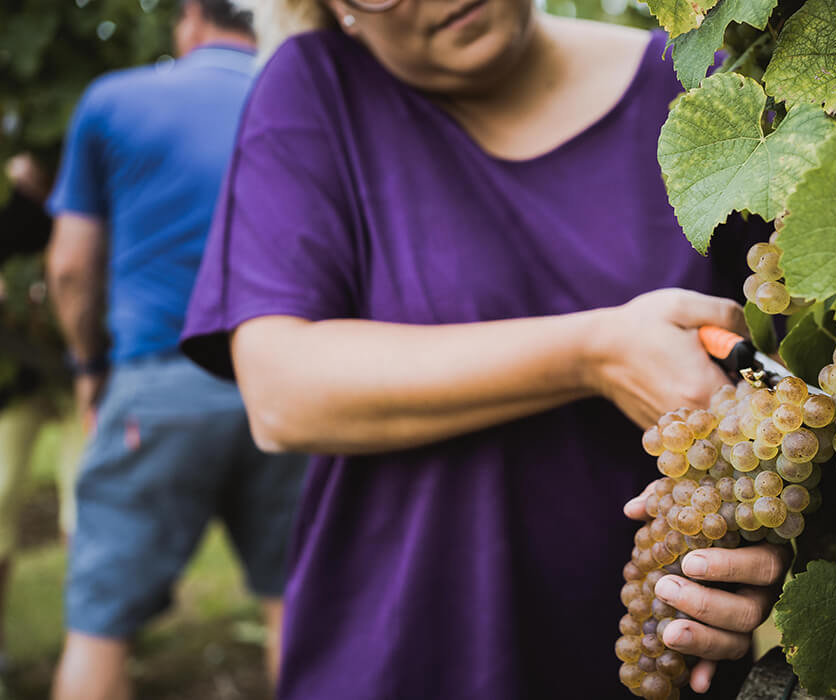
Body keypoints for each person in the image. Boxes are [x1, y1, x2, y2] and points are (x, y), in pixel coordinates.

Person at [181, 1, 789, 698]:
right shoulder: (319, 88)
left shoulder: (702, 91)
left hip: (649, 658)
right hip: (397, 658)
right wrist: (591, 354)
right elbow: (282, 391)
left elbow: (804, 387)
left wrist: (763, 538)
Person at [45, 3, 307, 699]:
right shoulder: (302, 95)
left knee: (98, 626)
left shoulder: (114, 100)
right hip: (296, 389)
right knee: (301, 610)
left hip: (160, 385)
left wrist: (87, 371)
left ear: (190, 20)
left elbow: (70, 266)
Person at [0, 153, 84, 676]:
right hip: (12, 372)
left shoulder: (76, 134)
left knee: (90, 511)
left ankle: (92, 643)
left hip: (82, 360)